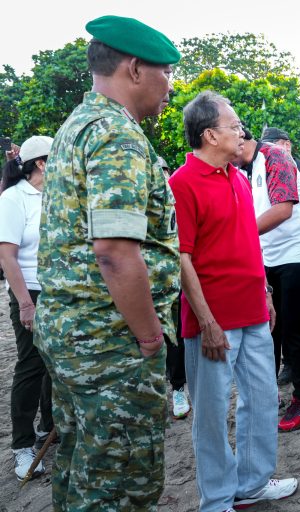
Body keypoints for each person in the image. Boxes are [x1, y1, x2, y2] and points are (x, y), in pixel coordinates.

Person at [34, 16, 181, 510]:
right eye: (166, 72)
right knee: (120, 483)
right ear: (135, 69)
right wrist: (149, 337)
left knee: (82, 464)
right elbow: (115, 252)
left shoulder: (76, 126)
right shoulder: (116, 135)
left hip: (72, 332)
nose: (170, 86)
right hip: (111, 342)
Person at [169, 90, 297, 512]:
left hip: (253, 311)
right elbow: (182, 258)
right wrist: (206, 321)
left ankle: (252, 484)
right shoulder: (181, 184)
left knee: (261, 400)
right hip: (213, 322)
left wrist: (266, 292)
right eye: (235, 125)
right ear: (210, 135)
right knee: (210, 414)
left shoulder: (238, 178)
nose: (242, 132)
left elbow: (248, 244)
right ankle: (218, 500)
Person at [253, 126, 300, 432]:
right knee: (269, 327)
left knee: (295, 327)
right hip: (266, 252)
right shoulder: (237, 168)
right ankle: (271, 392)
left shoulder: (275, 156)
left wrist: (236, 236)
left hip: (297, 250)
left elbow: (283, 210)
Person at [0, 136, 54, 481]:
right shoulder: (13, 198)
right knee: (32, 365)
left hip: (58, 290)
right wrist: (25, 304)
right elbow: (7, 256)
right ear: (41, 163)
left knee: (55, 363)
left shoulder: (56, 195)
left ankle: (49, 426)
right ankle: (22, 444)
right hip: (29, 291)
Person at [157, 155, 191, 420]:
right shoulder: (137, 206)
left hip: (176, 283)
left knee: (177, 337)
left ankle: (179, 388)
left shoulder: (179, 202)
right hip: (146, 286)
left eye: (164, 171)